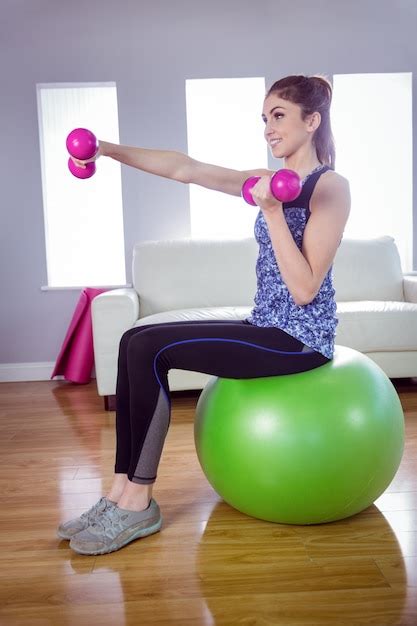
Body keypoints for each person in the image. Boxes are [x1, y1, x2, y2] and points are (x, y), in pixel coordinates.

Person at [58, 74, 350, 555]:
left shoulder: (331, 189)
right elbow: (185, 168)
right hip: (264, 325)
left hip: (300, 339)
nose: (268, 129)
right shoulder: (263, 178)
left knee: (152, 348)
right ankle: (118, 494)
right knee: (134, 338)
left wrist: (274, 213)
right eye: (264, 118)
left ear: (312, 120)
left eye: (278, 116)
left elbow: (303, 289)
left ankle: (139, 505)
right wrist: (107, 149)